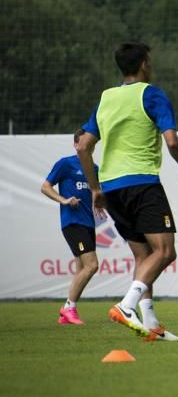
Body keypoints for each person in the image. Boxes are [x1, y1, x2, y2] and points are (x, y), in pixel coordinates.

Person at [77, 42, 178, 341]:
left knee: (144, 257)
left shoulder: (106, 98)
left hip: (112, 189)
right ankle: (126, 305)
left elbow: (82, 145)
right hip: (141, 184)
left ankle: (151, 323)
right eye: (150, 60)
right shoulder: (152, 94)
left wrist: (95, 188)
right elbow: (171, 141)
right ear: (144, 63)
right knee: (166, 251)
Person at [41, 130, 103, 325]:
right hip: (72, 222)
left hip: (88, 223)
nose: (89, 146)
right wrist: (64, 200)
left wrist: (100, 202)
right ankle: (69, 307)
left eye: (91, 143)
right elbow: (45, 187)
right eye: (85, 142)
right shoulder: (66, 164)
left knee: (82, 268)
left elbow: (97, 194)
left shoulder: (94, 169)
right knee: (92, 265)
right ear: (76, 144)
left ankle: (66, 315)